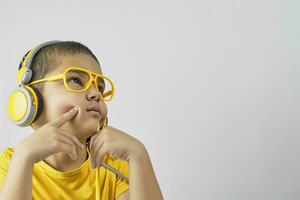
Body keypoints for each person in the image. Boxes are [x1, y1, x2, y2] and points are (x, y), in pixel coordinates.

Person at [0, 41, 164, 200]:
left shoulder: (115, 168)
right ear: (30, 99)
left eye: (100, 87)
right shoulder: (10, 164)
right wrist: (23, 158)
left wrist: (139, 155)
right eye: (75, 81)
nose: (96, 93)